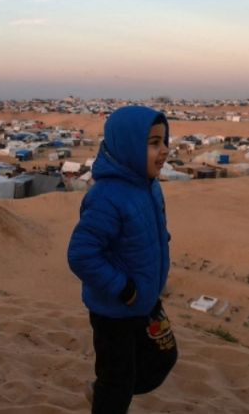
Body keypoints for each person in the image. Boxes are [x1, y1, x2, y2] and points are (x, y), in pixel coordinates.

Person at [67, 105, 178, 413]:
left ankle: (108, 390)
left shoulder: (149, 187)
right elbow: (81, 254)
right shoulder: (107, 196)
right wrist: (123, 288)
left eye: (164, 141)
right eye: (154, 143)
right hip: (115, 311)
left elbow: (150, 231)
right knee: (117, 382)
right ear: (128, 144)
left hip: (146, 299)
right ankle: (108, 395)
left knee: (164, 356)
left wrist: (159, 251)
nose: (164, 150)